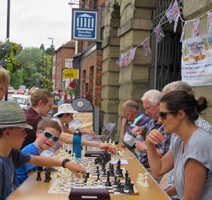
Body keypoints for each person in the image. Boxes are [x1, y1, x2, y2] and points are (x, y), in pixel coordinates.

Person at [0, 101, 85, 200]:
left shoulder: (13, 153)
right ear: (7, 133)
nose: (26, 135)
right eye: (23, 131)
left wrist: (65, 163)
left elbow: (37, 160)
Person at [146, 91, 212, 200]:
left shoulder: (198, 144)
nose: (159, 120)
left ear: (181, 114)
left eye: (163, 115)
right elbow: (158, 169)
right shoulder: (180, 140)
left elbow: (190, 198)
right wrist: (149, 143)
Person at [41, 103, 116, 157]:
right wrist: (99, 145)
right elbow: (66, 140)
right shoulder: (55, 124)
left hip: (54, 153)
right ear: (65, 115)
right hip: (50, 155)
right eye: (71, 116)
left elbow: (71, 134)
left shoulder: (59, 122)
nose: (72, 119)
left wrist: (85, 132)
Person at [131, 90, 171, 182]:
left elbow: (164, 155)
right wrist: (140, 129)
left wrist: (144, 148)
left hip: (154, 170)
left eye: (148, 108)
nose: (146, 112)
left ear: (158, 105)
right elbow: (146, 127)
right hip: (146, 166)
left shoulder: (168, 127)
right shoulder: (153, 120)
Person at [17, 119, 62, 186]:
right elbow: (32, 178)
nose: (50, 140)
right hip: (20, 190)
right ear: (38, 133)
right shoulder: (30, 150)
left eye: (55, 138)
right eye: (47, 135)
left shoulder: (36, 151)